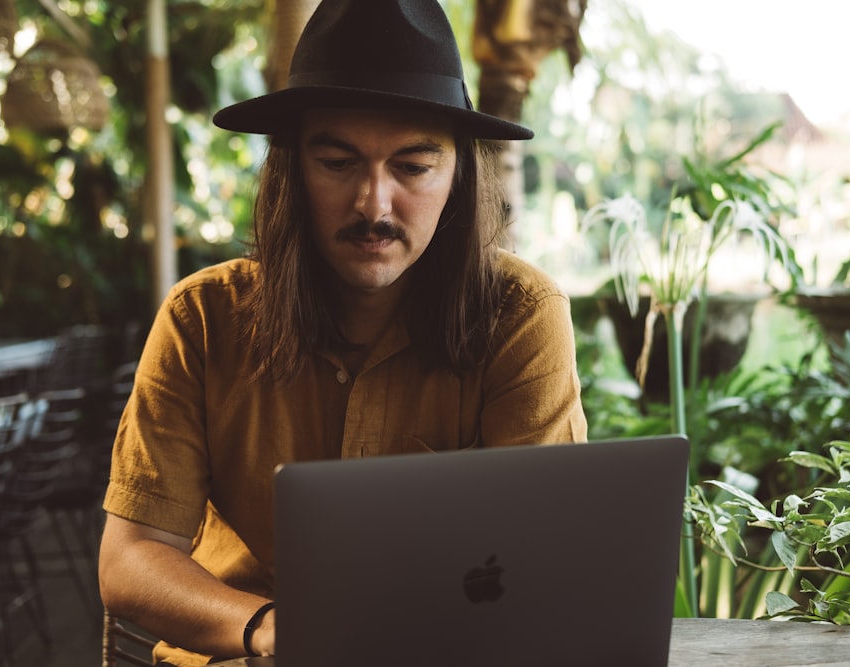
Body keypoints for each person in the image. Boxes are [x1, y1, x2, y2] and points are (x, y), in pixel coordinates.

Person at [98, 0, 588, 664]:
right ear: (292, 170)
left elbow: (541, 559)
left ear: (459, 175)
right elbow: (130, 558)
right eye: (338, 162)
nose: (373, 204)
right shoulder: (200, 319)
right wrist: (268, 627)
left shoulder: (521, 316)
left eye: (413, 167)